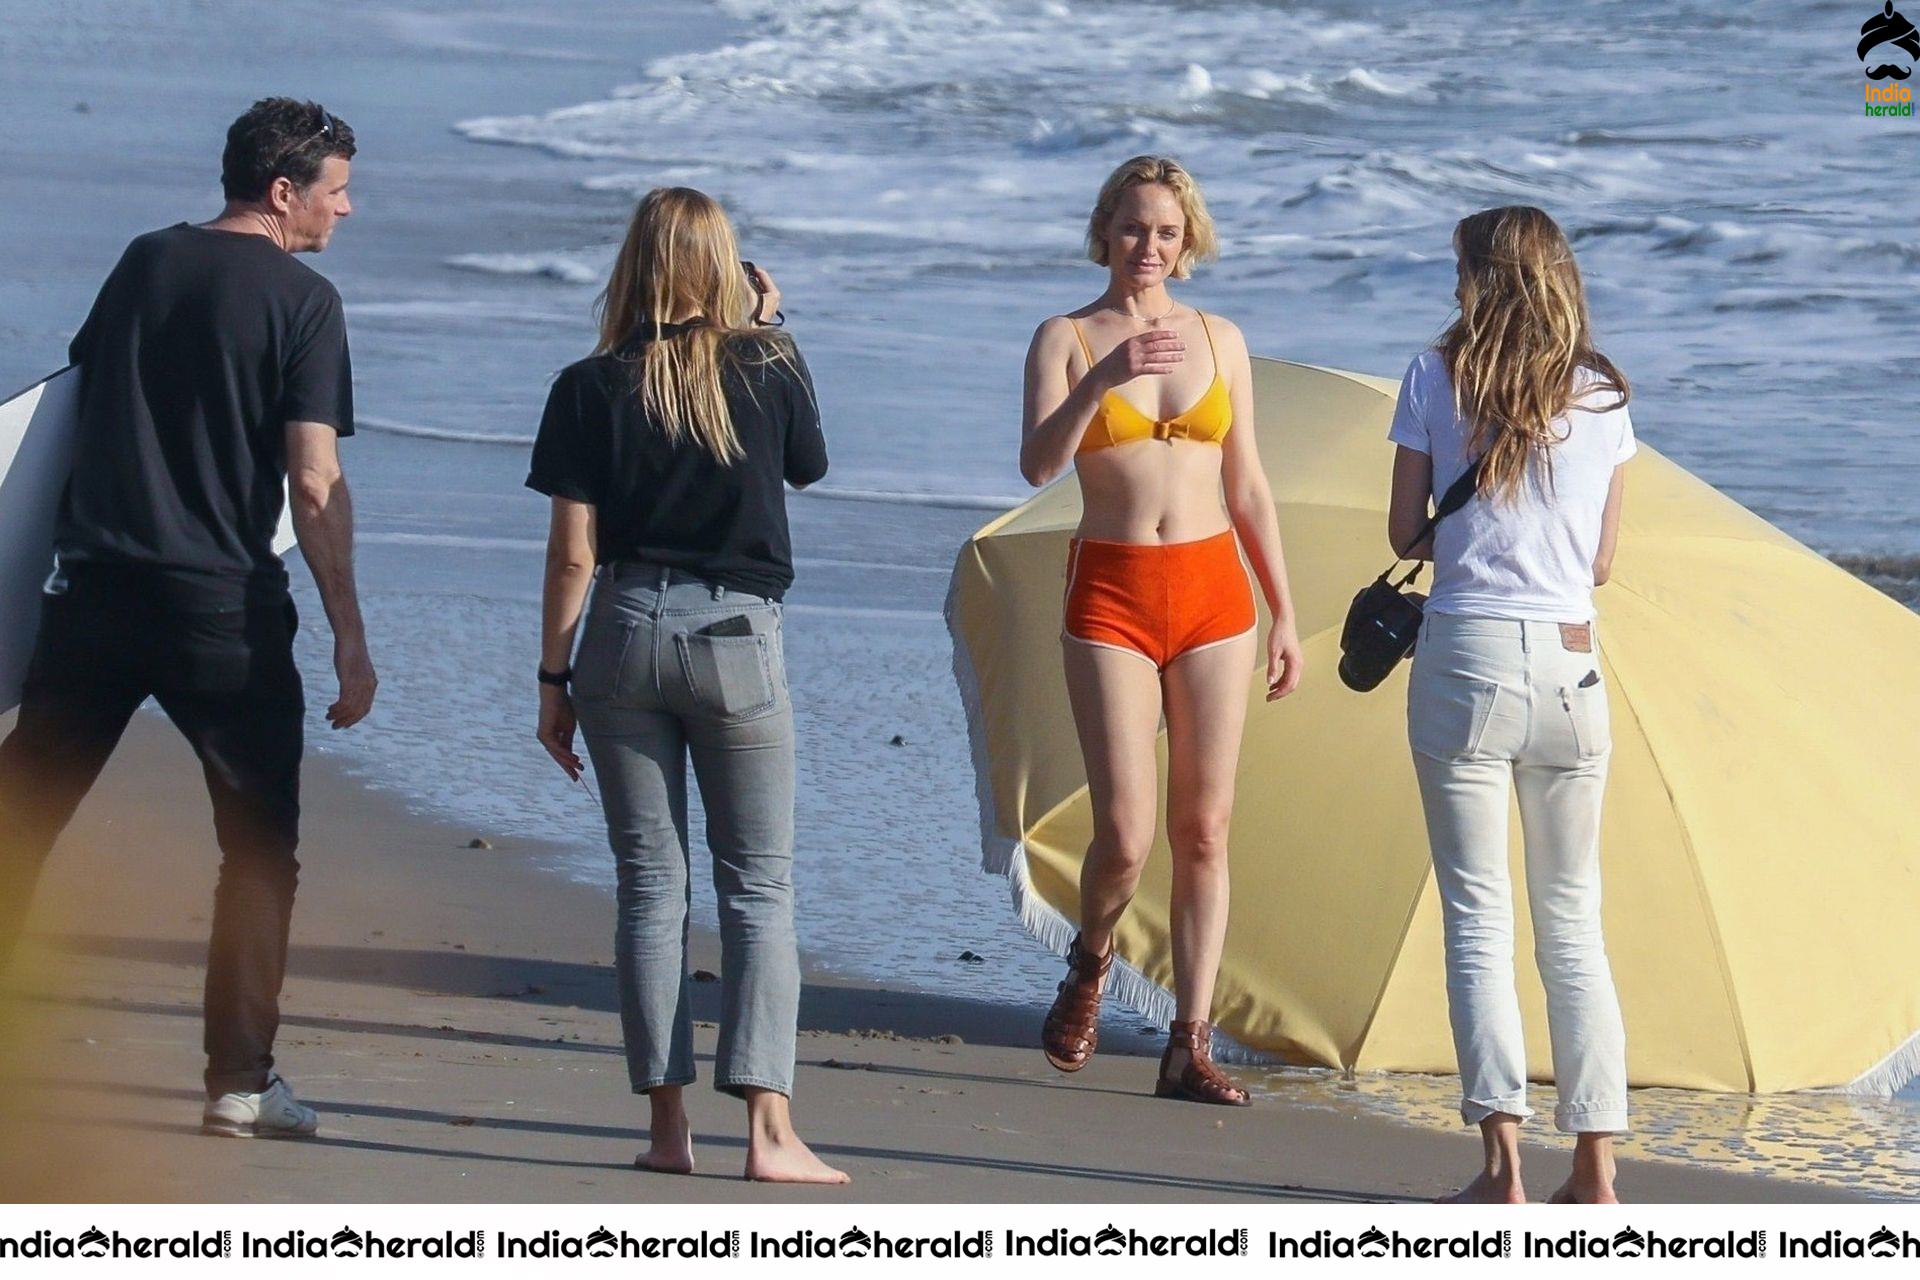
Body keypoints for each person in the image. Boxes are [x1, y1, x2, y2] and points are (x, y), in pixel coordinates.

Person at [0, 98, 375, 1138]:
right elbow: (314, 478)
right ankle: (241, 1083)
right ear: (284, 189)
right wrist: (349, 630)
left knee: (19, 817)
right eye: (337, 191)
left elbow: (69, 409)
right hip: (221, 611)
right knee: (259, 847)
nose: (346, 212)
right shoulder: (306, 302)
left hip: (97, 594)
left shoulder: (142, 263)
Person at [529, 187, 846, 1184]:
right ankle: (767, 1134)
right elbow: (812, 467)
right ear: (727, 266)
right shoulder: (765, 365)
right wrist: (772, 325)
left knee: (649, 885)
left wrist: (552, 677)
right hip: (733, 632)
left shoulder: (588, 383)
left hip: (622, 630)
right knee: (757, 884)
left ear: (633, 265)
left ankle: (669, 1132)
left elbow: (572, 551)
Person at [1019, 156, 1303, 1105]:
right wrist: (1104, 374)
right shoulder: (1064, 336)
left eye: (1167, 233)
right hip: (1111, 589)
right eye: (1134, 228)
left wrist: (1285, 611)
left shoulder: (1221, 337)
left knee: (1206, 830)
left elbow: (1249, 482)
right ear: (1105, 230)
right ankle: (1092, 960)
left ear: (1190, 243)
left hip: (1216, 593)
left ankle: (1190, 1041)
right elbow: (1035, 465)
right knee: (1129, 835)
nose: (1149, 247)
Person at [1387, 205, 1634, 1204]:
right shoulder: (1605, 393)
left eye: (1459, 268)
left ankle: (1502, 1169)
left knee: (1479, 915)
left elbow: (1409, 530)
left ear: (1479, 278)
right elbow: (1605, 561)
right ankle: (1598, 1172)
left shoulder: (1436, 375)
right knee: (1573, 919)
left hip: (1469, 655)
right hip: (1574, 666)